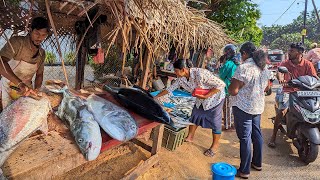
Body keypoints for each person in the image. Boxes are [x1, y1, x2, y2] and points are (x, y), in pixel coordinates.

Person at [155, 59, 225, 157]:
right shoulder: (181, 78)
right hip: (200, 98)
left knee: (215, 122)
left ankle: (214, 146)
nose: (175, 73)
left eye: (176, 71)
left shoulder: (201, 73)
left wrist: (206, 96)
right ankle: (190, 136)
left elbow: (221, 84)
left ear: (183, 69)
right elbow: (169, 89)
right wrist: (155, 97)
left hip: (215, 98)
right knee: (195, 116)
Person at [229, 42, 270, 179]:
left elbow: (233, 91)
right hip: (257, 106)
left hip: (243, 108)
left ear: (244, 53)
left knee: (245, 138)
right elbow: (266, 88)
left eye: (241, 54)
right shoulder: (264, 67)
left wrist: (236, 85)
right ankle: (257, 163)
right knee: (256, 134)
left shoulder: (244, 67)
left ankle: (244, 170)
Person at [268, 42, 318, 148]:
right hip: (288, 90)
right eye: (289, 50)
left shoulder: (307, 64)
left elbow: (314, 77)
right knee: (283, 110)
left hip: (304, 92)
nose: (289, 53)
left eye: (291, 51)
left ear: (299, 53)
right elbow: (279, 72)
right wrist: (281, 78)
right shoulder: (286, 63)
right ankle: (273, 136)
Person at [0, 17, 49, 108]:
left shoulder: (42, 53)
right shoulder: (17, 42)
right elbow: (1, 63)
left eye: (43, 35)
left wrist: (37, 89)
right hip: (9, 86)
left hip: (26, 90)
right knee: (7, 115)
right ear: (30, 30)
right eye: (37, 33)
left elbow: (39, 74)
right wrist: (19, 83)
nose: (40, 38)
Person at [219, 44, 240, 129]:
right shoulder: (238, 63)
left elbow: (221, 75)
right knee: (234, 107)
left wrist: (221, 65)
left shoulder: (228, 63)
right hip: (237, 88)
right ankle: (233, 123)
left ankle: (227, 125)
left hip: (228, 88)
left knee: (227, 107)